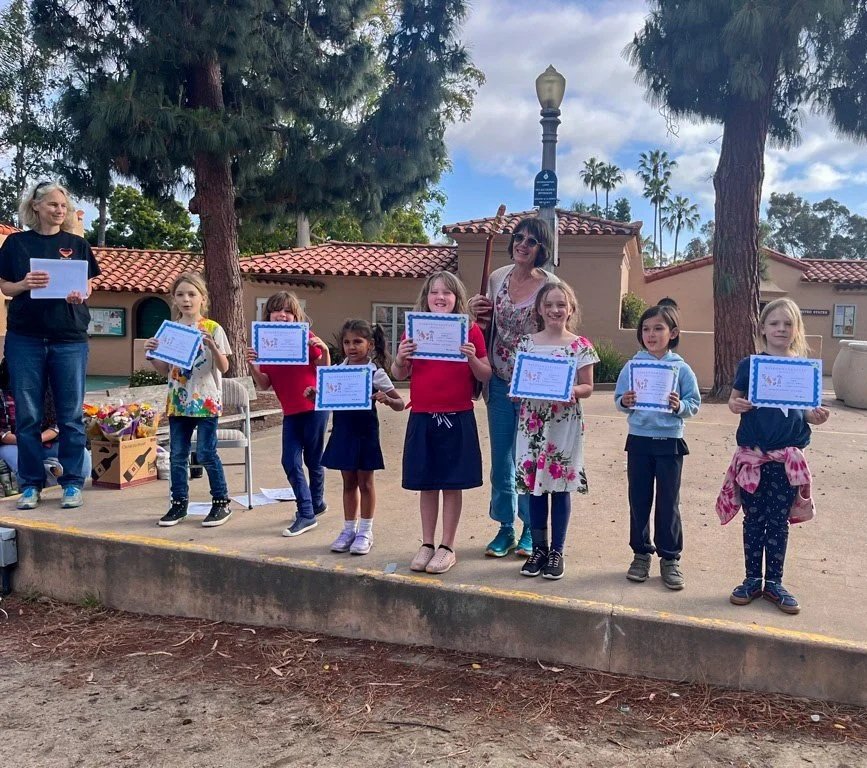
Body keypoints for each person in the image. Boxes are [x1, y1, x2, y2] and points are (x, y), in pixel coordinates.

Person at [719, 298, 829, 614]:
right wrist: (735, 405)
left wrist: (815, 416)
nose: (780, 329)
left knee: (779, 521)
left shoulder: (805, 369)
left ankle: (775, 583)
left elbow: (804, 412)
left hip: (786, 463)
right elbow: (734, 400)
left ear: (796, 329)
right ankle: (752, 579)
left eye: (787, 323)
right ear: (763, 328)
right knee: (754, 518)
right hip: (753, 459)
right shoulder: (750, 366)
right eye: (774, 323)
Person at [0, 181, 101, 511]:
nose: (60, 210)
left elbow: (86, 286)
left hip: (69, 338)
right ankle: (31, 485)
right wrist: (24, 284)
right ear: (36, 206)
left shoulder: (77, 244)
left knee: (70, 415)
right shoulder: (16, 244)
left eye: (64, 205)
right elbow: (5, 287)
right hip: (25, 339)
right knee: (28, 416)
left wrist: (79, 294)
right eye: (53, 204)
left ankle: (71, 483)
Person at [468, 216, 558, 559]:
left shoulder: (551, 285)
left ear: (541, 248)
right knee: (500, 460)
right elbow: (487, 323)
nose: (522, 244)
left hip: (533, 388)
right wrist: (478, 311)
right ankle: (504, 526)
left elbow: (559, 324)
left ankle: (528, 530)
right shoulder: (497, 277)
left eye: (531, 240)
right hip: (499, 381)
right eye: (518, 237)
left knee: (528, 460)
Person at [393, 271, 492, 574]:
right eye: (434, 292)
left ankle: (447, 546)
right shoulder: (413, 332)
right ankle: (427, 543)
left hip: (457, 415)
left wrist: (472, 358)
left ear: (457, 298)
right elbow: (399, 374)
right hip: (422, 414)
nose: (440, 297)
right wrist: (400, 357)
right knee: (426, 484)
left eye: (447, 293)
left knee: (451, 484)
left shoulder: (470, 331)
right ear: (426, 298)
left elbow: (485, 374)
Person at [613, 304, 701, 589]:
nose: (651, 334)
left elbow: (694, 404)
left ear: (673, 332)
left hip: (670, 443)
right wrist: (624, 402)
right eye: (646, 328)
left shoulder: (681, 368)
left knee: (668, 503)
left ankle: (670, 558)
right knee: (639, 500)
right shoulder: (633, 365)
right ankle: (640, 553)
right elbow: (619, 399)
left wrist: (680, 406)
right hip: (639, 441)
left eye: (658, 328)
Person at [515, 282, 598, 580]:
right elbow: (520, 379)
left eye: (561, 304)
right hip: (532, 423)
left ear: (570, 309)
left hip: (564, 425)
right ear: (539, 309)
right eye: (549, 304)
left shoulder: (580, 345)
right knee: (535, 487)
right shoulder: (526, 343)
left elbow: (588, 386)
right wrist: (517, 391)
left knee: (560, 487)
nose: (555, 310)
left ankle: (557, 552)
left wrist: (572, 390)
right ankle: (539, 548)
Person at [144, 273, 233, 528]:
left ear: (202, 298)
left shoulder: (213, 328)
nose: (186, 299)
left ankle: (221, 502)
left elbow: (224, 367)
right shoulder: (170, 330)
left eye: (192, 294)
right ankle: (178, 504)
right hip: (178, 401)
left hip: (205, 400)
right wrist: (151, 354)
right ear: (174, 299)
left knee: (206, 452)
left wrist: (213, 347)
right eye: (181, 294)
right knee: (177, 455)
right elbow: (165, 369)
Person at [311, 320, 405, 556]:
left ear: (370, 344)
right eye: (346, 342)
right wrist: (314, 394)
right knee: (348, 483)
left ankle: (365, 531)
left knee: (366, 483)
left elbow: (400, 404)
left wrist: (387, 399)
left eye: (357, 342)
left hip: (365, 433)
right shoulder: (337, 372)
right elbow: (327, 398)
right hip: (343, 432)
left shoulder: (376, 373)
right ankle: (348, 529)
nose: (351, 347)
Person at [246, 291, 331, 536]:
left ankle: (313, 507)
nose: (282, 315)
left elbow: (324, 370)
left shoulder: (307, 338)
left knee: (313, 461)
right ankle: (309, 509)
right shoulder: (265, 343)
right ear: (268, 315)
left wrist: (324, 350)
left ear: (296, 316)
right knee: (290, 461)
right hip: (291, 411)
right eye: (276, 310)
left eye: (288, 311)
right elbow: (264, 384)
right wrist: (252, 365)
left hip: (314, 407)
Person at [0, 359, 92, 488]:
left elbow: (56, 425)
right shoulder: (2, 395)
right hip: (14, 444)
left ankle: (76, 488)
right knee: (20, 461)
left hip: (46, 441)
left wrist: (38, 439)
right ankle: (30, 490)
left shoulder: (49, 391)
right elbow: (3, 434)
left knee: (82, 454)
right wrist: (25, 441)